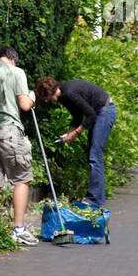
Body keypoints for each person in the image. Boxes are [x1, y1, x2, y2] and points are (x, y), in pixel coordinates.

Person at [0, 45, 38, 246]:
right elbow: (24, 105)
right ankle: (19, 229)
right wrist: (32, 97)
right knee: (22, 178)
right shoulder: (16, 72)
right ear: (12, 59)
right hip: (9, 130)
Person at [34, 75, 117, 207]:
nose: (46, 101)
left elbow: (91, 115)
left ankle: (94, 199)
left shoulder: (69, 93)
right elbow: (77, 116)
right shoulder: (63, 96)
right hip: (100, 112)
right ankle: (97, 198)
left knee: (95, 155)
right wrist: (69, 132)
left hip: (105, 111)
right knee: (92, 154)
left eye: (45, 98)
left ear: (48, 93)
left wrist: (76, 133)